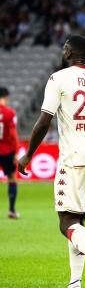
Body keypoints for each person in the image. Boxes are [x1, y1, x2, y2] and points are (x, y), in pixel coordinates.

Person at [17, 35, 85, 288]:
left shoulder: (59, 78)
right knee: (79, 223)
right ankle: (75, 287)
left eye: (64, 46)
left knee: (66, 224)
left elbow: (43, 121)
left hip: (73, 158)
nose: (62, 49)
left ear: (70, 51)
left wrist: (28, 155)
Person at [0, 87, 19, 218]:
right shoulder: (9, 113)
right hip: (6, 151)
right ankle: (12, 210)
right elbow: (13, 134)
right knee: (12, 178)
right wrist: (16, 152)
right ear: (6, 97)